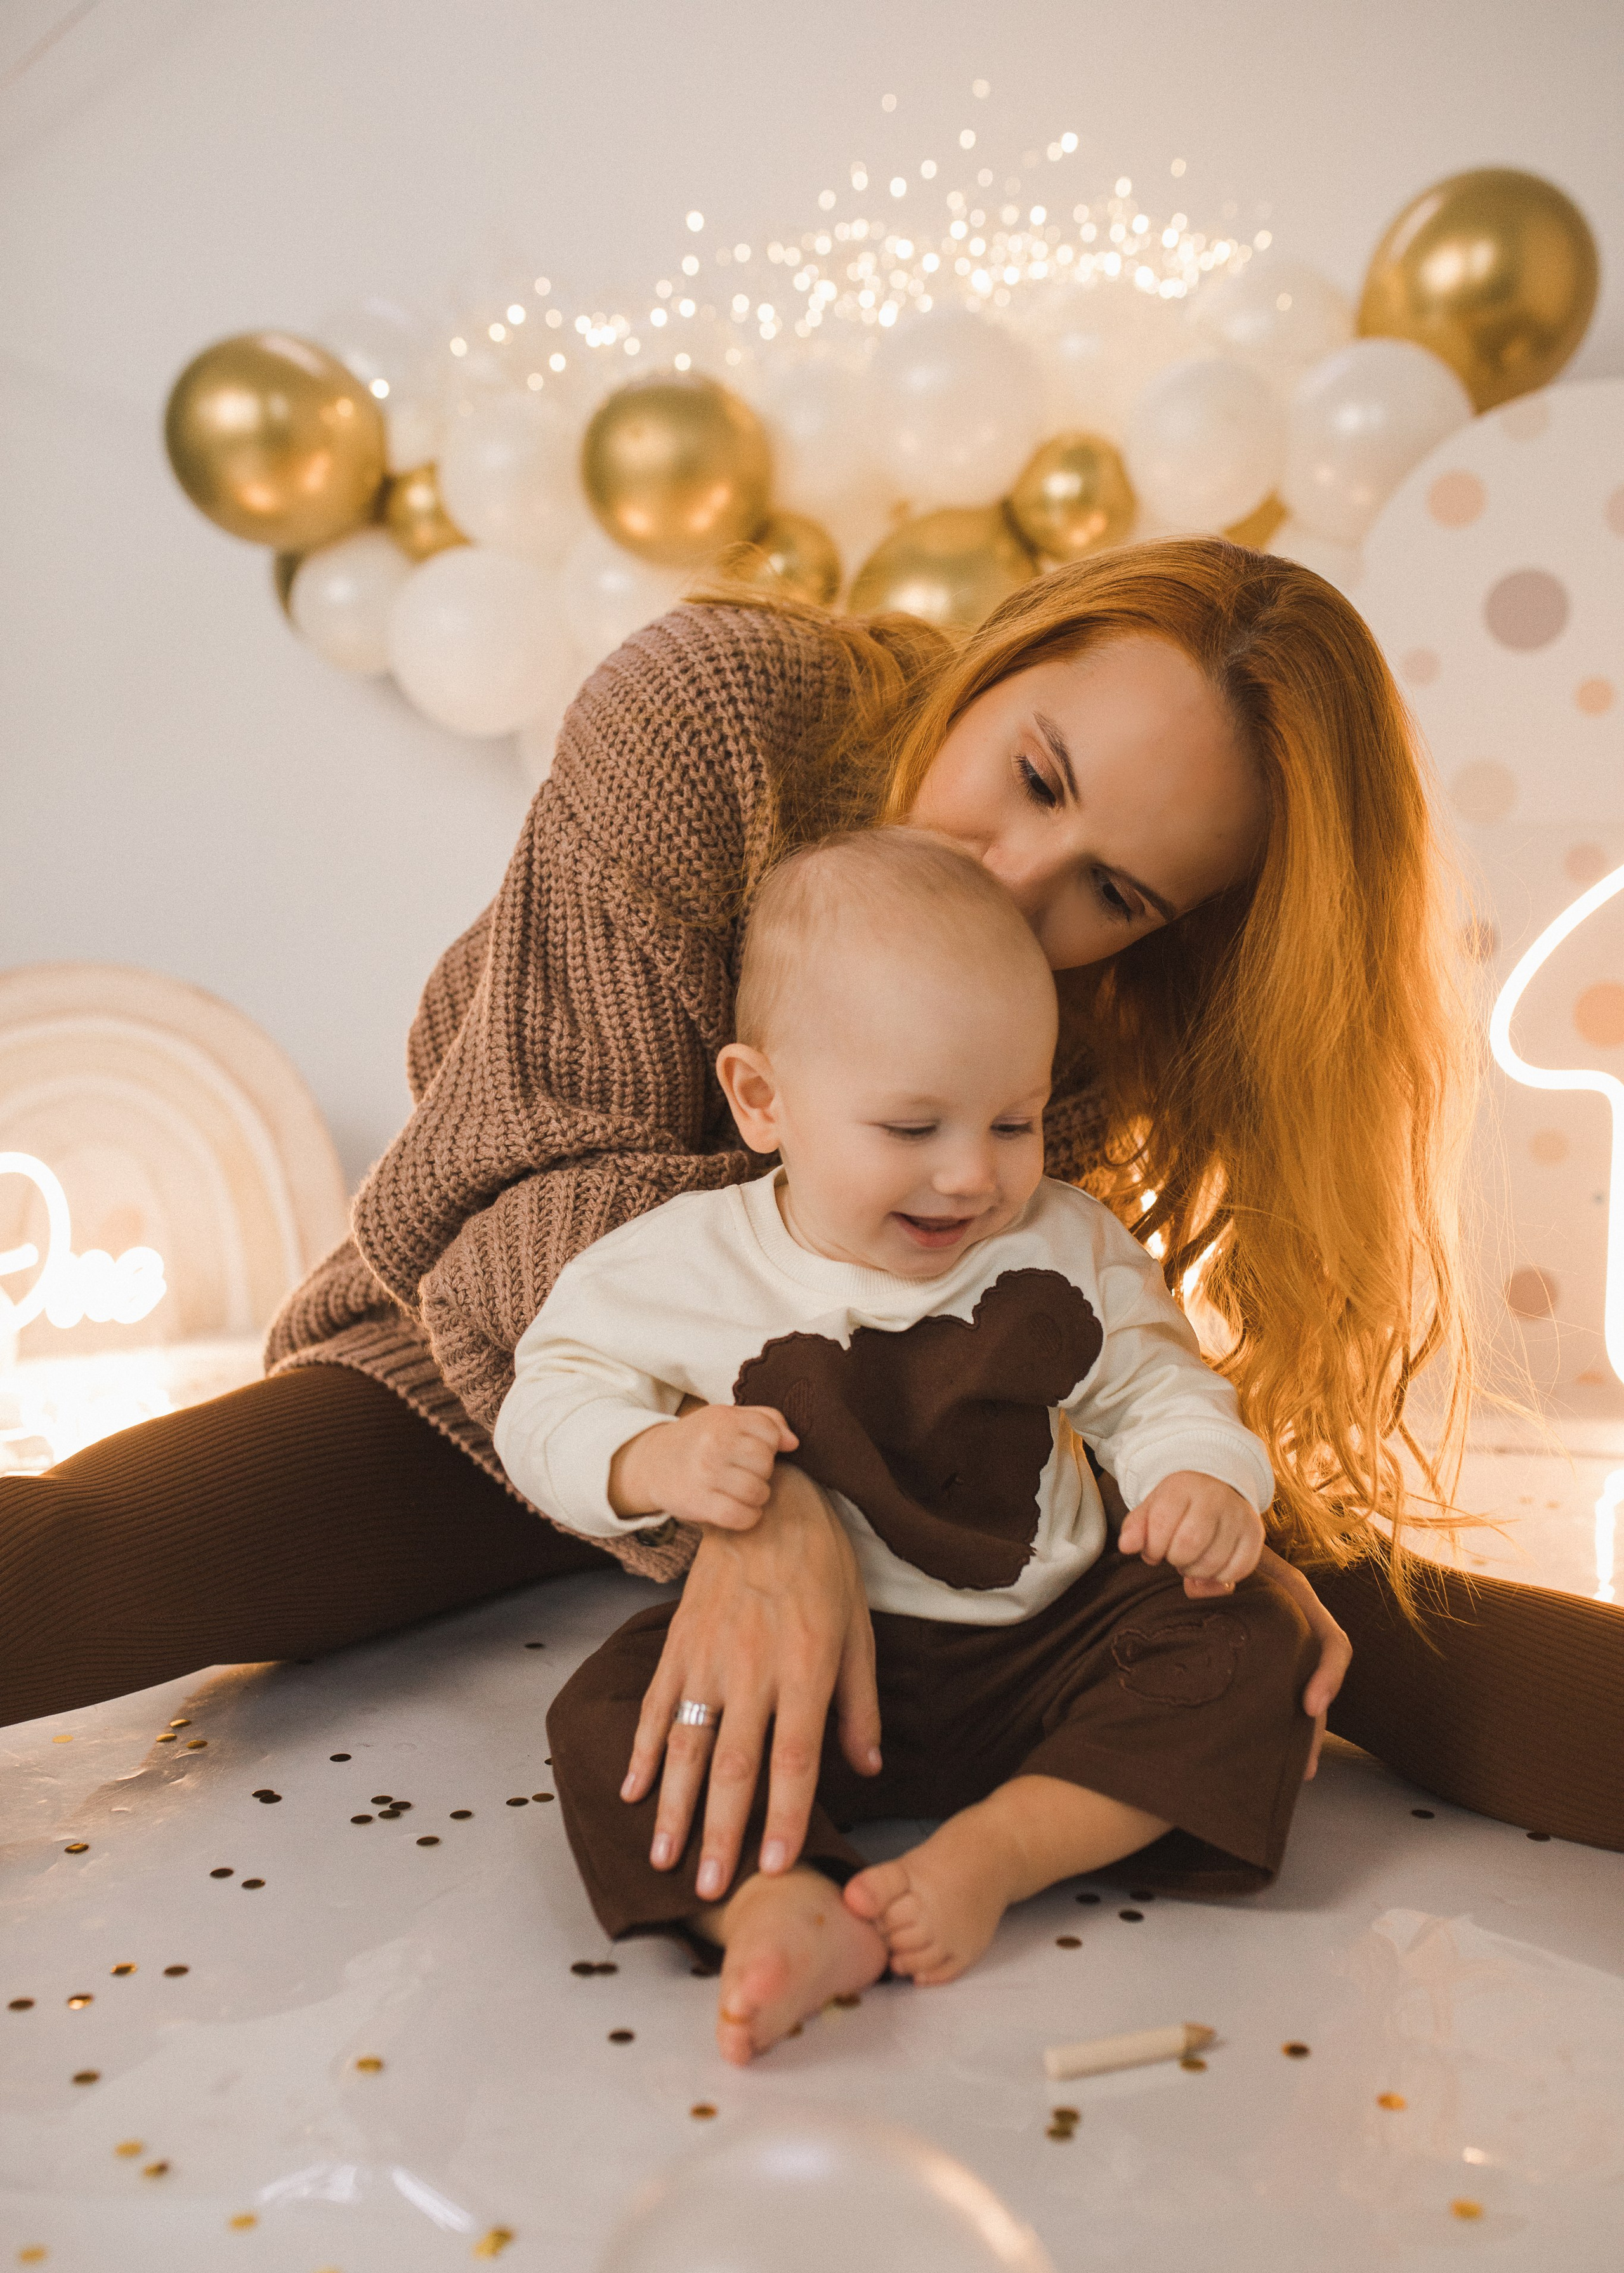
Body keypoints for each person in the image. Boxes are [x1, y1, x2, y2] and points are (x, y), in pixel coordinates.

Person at [3, 542, 1619, 1878]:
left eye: (1112, 890)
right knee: (97, 1559)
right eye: (1033, 773)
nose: (1012, 883)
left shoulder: (1111, 1005)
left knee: (1328, 1601)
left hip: (925, 1452)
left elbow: (1060, 1314)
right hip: (494, 1364)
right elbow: (511, 1187)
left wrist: (1202, 1503)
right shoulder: (710, 715)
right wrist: (769, 1502)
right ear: (1002, 655)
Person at [511, 829, 1313, 2061]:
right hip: (806, 1674)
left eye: (1011, 1121)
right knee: (608, 1715)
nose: (969, 1177)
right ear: (760, 1099)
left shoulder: (1061, 1246)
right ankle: (781, 1903)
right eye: (909, 1127)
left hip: (1044, 1650)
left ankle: (998, 1851)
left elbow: (1156, 1385)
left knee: (1245, 1633)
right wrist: (649, 1462)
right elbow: (548, 1401)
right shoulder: (681, 1266)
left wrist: (1199, 1477)